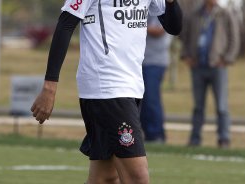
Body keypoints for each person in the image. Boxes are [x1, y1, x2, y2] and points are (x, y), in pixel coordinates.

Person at [31, 0, 182, 183]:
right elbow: (66, 23)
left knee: (105, 178)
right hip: (106, 86)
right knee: (137, 178)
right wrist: (50, 86)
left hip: (132, 86)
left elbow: (174, 27)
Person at [180, 0, 239, 148]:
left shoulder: (225, 13)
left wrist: (226, 59)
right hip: (198, 66)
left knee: (221, 105)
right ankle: (195, 139)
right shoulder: (194, 14)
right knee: (198, 106)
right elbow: (184, 36)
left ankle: (223, 138)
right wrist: (186, 56)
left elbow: (234, 37)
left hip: (217, 66)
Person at [140, 15, 173, 143]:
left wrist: (135, 25)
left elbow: (159, 30)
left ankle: (156, 134)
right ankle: (147, 134)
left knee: (151, 99)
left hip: (155, 61)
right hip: (140, 61)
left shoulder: (160, 5)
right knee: (140, 100)